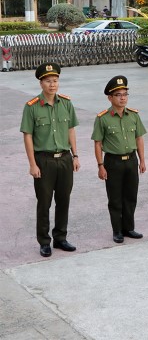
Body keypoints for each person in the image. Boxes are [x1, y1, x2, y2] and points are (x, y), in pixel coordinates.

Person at [20, 62, 80, 257]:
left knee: (64, 200)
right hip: (43, 161)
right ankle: (44, 241)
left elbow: (71, 130)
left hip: (64, 159)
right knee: (44, 202)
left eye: (55, 81)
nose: (52, 85)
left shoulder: (67, 103)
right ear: (41, 83)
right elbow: (27, 135)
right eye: (48, 81)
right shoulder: (32, 107)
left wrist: (75, 155)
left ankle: (60, 238)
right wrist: (32, 164)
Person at [91, 76, 147, 243]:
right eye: (118, 95)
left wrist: (142, 160)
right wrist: (100, 165)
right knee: (115, 198)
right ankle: (117, 230)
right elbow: (98, 143)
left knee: (131, 196)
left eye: (125, 94)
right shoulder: (103, 118)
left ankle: (128, 228)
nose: (123, 98)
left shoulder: (134, 116)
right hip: (113, 162)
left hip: (131, 160)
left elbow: (139, 139)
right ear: (110, 98)